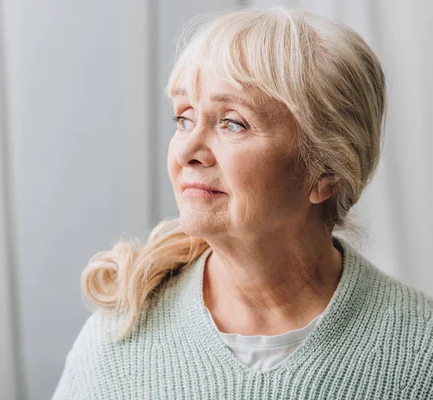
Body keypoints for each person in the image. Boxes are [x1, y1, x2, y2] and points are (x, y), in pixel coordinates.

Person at [53, 8, 433, 399]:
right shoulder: (118, 340)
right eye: (184, 118)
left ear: (326, 173)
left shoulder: (421, 354)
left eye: (232, 123)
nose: (187, 150)